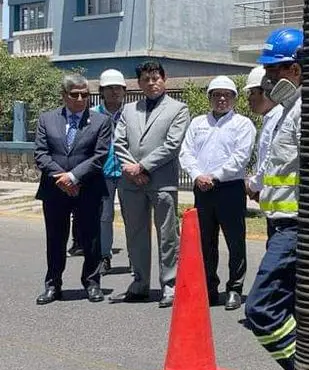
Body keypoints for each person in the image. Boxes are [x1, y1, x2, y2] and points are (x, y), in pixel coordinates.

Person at [243, 27, 304, 370]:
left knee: (260, 308)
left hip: (296, 230)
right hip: (277, 224)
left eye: (275, 69)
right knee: (294, 311)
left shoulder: (305, 112)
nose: (266, 79)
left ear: (296, 69)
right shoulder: (282, 113)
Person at [112, 60, 191, 308]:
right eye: (146, 79)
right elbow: (119, 143)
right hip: (131, 182)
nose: (151, 83)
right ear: (139, 83)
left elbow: (172, 145)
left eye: (155, 78)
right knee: (135, 233)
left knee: (168, 235)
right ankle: (140, 283)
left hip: (162, 181)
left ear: (164, 79)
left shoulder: (179, 109)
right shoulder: (128, 110)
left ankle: (170, 284)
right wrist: (132, 170)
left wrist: (143, 166)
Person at [33, 73, 113, 304]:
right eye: (75, 94)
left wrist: (74, 177)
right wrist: (62, 178)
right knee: (56, 238)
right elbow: (40, 153)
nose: (80, 99)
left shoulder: (101, 121)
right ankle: (53, 285)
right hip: (54, 189)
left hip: (88, 188)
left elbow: (100, 156)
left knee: (91, 239)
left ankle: (92, 283)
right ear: (64, 95)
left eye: (85, 95)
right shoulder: (47, 119)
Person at [179, 76, 257, 310]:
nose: (221, 99)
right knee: (205, 242)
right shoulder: (197, 123)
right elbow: (186, 153)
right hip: (202, 188)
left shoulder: (243, 124)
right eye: (216, 94)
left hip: (229, 188)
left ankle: (235, 288)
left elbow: (240, 157)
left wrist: (214, 176)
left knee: (235, 242)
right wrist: (197, 175)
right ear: (209, 98)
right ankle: (209, 287)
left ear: (234, 98)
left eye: (226, 94)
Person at [91, 69, 128, 274]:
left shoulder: (132, 114)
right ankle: (104, 256)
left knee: (132, 216)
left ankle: (135, 258)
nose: (114, 92)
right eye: (110, 88)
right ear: (101, 91)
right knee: (104, 217)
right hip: (101, 173)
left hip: (127, 171)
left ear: (124, 91)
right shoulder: (92, 115)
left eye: (118, 88)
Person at [244, 64, 285, 239]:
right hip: (273, 203)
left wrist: (252, 185)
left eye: (253, 93)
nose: (249, 99)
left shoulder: (277, 119)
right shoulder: (271, 119)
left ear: (267, 92)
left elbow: (270, 161)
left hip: (281, 205)